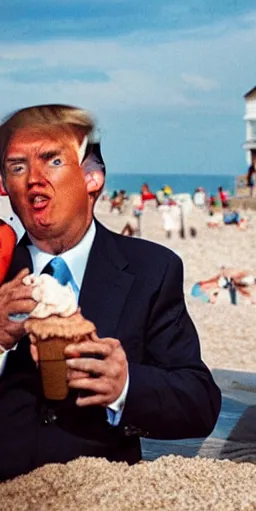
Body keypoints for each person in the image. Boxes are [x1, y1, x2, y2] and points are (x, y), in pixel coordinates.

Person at [0, 104, 221, 481]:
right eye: (17, 167)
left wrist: (126, 385)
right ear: (5, 186)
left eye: (52, 161)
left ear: (93, 178)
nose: (33, 178)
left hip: (101, 494)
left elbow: (200, 404)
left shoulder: (152, 270)